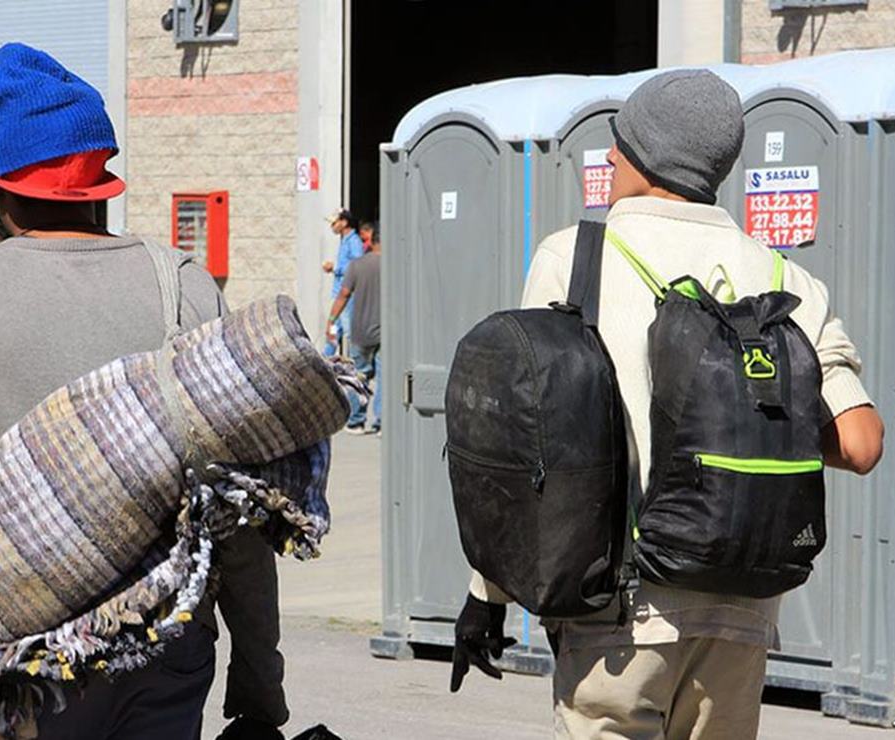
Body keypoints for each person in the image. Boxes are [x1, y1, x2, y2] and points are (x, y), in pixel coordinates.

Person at [0, 43, 288, 740]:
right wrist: (259, 681)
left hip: (23, 665)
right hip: (167, 654)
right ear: (102, 183)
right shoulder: (183, 286)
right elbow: (237, 513)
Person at [455, 70, 884, 739]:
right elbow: (859, 443)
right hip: (743, 607)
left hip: (617, 608)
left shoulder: (574, 260)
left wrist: (487, 597)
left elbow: (525, 450)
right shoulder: (784, 279)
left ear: (633, 153)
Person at [326, 227, 380, 435]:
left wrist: (331, 321)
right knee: (383, 376)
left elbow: (343, 295)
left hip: (361, 330)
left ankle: (356, 421)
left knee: (359, 375)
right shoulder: (395, 264)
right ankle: (380, 422)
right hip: (384, 331)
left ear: (371, 241)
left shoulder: (357, 266)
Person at [321, 209, 364, 356]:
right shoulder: (345, 241)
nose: (332, 226)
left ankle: (357, 364)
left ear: (344, 222)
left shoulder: (354, 241)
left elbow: (357, 265)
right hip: (338, 293)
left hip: (347, 296)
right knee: (334, 328)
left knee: (349, 331)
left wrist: (336, 268)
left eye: (335, 222)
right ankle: (326, 357)